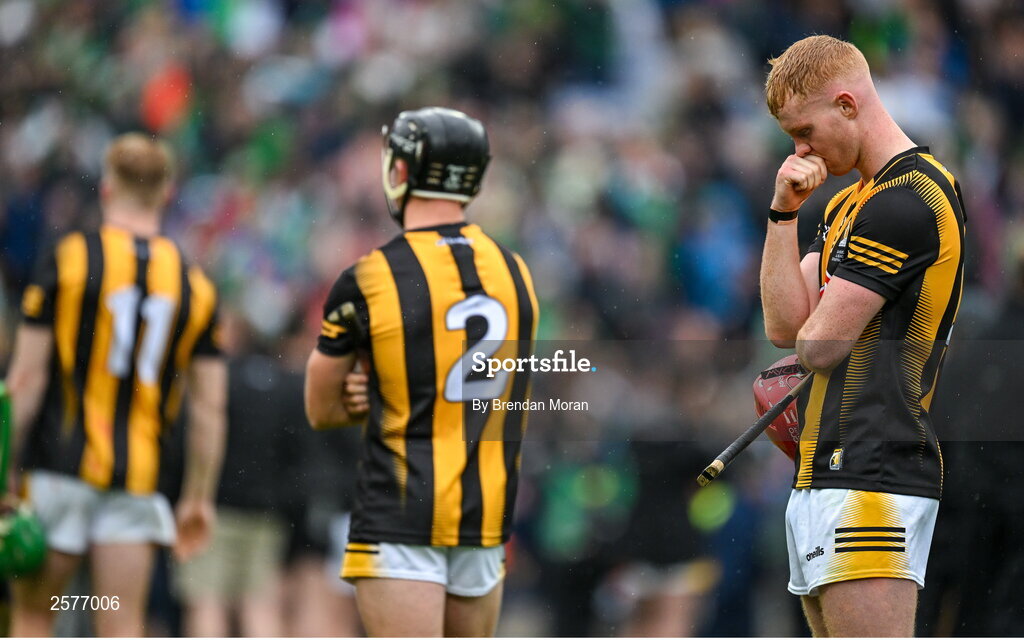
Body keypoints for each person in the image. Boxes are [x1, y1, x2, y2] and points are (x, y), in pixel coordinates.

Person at [758, 36, 966, 637]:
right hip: (827, 473)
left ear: (848, 105)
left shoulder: (909, 200)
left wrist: (815, 328)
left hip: (873, 472)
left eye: (805, 131)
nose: (800, 151)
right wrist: (783, 214)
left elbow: (818, 346)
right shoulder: (851, 200)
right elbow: (781, 328)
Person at [304, 107, 538, 637]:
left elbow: (322, 408)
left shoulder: (369, 275)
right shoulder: (515, 271)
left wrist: (365, 395)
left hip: (401, 512)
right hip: (484, 513)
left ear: (401, 171)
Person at [4, 133, 227, 636]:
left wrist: (4, 470)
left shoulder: (68, 259)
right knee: (120, 621)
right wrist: (198, 496)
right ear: (167, 194)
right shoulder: (196, 284)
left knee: (36, 615)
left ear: (107, 189)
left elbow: (26, 378)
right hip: (136, 480)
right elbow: (211, 408)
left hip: (57, 470)